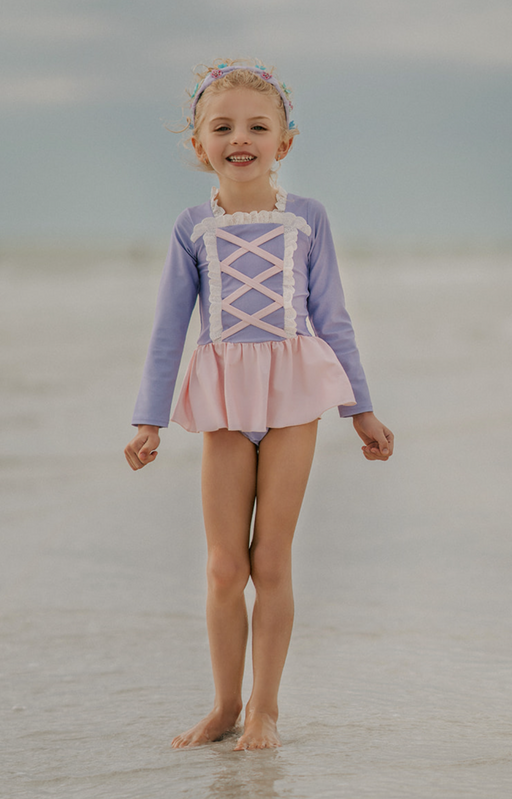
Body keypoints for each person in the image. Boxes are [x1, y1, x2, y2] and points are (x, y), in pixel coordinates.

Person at [124, 59, 394, 751]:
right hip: (221, 398)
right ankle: (222, 706)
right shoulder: (192, 226)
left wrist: (359, 408)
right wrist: (148, 419)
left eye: (256, 126)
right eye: (222, 127)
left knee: (270, 560)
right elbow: (168, 328)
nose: (238, 138)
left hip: (293, 395)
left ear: (285, 141)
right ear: (198, 145)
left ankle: (264, 709)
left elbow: (332, 317)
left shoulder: (307, 219)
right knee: (224, 565)